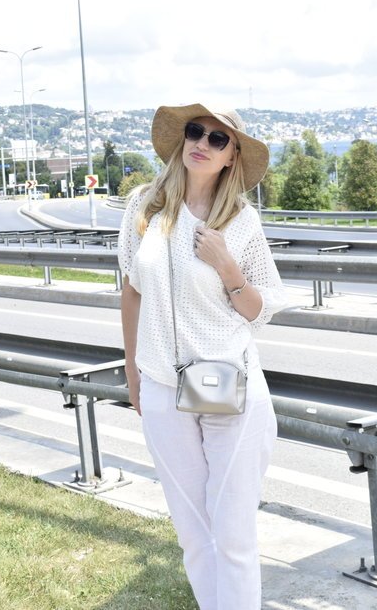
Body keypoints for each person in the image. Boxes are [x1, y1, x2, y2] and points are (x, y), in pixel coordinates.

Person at [118, 103, 288, 610]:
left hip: (227, 386)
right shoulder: (144, 207)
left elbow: (259, 310)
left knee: (233, 536)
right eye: (196, 131)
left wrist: (227, 265)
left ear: (232, 156)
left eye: (218, 139)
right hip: (162, 387)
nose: (202, 143)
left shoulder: (241, 221)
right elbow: (131, 291)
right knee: (193, 533)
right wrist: (132, 372)